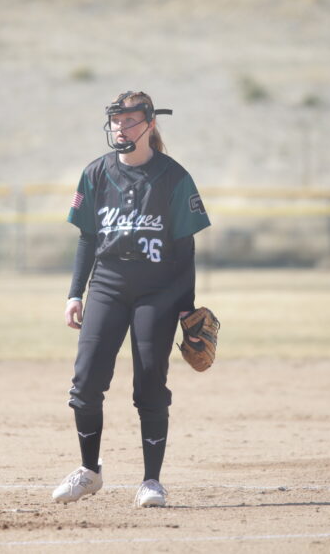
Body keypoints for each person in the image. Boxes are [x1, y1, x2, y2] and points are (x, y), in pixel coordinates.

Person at [53, 90, 211, 508]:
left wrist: (187, 308)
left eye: (128, 120)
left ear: (150, 124)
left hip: (159, 290)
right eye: (116, 120)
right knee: (85, 382)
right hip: (107, 285)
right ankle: (89, 471)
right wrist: (75, 293)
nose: (120, 127)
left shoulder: (173, 176)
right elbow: (88, 238)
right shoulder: (96, 173)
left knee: (149, 384)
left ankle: (151, 481)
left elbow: (185, 248)